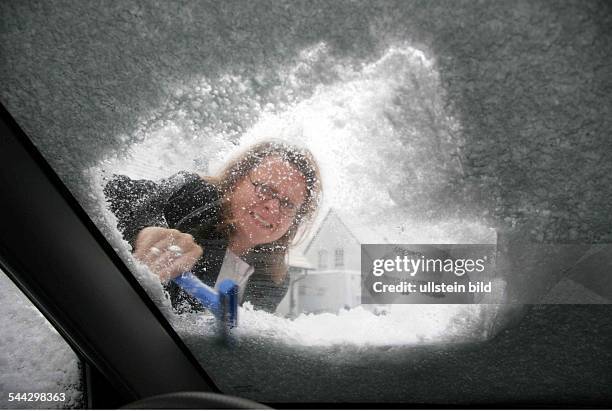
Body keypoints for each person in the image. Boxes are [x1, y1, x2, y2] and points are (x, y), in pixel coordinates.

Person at [104, 141, 321, 313]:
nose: (273, 207)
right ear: (237, 181)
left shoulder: (274, 279)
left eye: (288, 203)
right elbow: (110, 189)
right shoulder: (194, 198)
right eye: (265, 189)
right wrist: (142, 231)